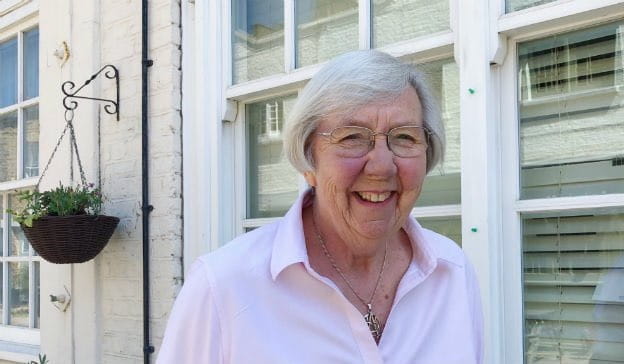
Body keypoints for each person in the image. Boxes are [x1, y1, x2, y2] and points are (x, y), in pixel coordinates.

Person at [157, 50, 483, 364]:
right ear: (308, 160)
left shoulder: (451, 272)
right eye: (352, 137)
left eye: (404, 138)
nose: (382, 166)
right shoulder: (223, 287)